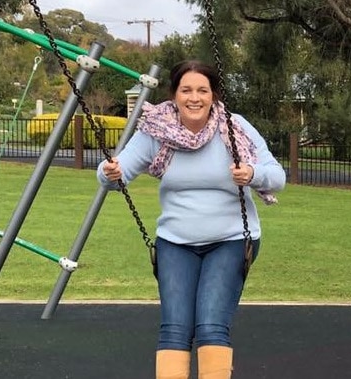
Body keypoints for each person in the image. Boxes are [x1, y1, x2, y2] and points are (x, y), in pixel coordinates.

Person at [97, 60, 286, 379]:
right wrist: (109, 172)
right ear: (174, 95)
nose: (194, 97)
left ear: (213, 95)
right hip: (175, 242)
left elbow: (277, 177)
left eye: (202, 90)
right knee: (174, 328)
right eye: (186, 90)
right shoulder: (156, 130)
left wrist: (253, 174)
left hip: (231, 239)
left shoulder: (233, 127)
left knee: (211, 324)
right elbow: (117, 175)